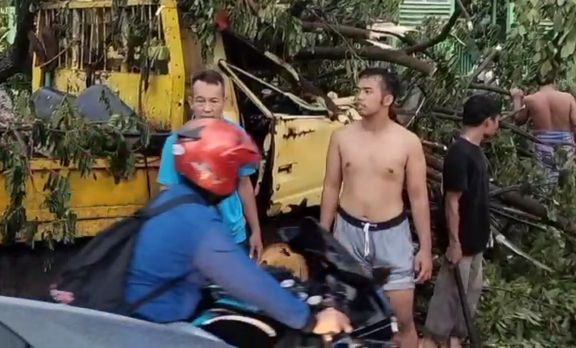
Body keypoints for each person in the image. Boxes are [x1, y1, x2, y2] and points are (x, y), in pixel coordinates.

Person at [127, 118, 353, 337]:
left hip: (157, 312)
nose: (237, 177)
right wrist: (311, 321)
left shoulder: (176, 199)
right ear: (215, 171)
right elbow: (243, 278)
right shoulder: (195, 220)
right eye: (233, 169)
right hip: (156, 330)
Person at [319, 66, 432, 348]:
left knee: (402, 320)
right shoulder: (341, 137)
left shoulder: (408, 143)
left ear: (387, 99)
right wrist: (322, 236)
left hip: (391, 236)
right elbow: (331, 186)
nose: (359, 97)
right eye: (358, 90)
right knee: (346, 317)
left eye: (367, 91)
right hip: (349, 231)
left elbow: (418, 198)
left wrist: (426, 250)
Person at [158, 68, 264, 260]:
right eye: (201, 100)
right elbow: (166, 191)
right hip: (193, 240)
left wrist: (256, 230)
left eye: (213, 101)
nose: (207, 108)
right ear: (191, 103)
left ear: (224, 102)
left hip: (233, 236)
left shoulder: (236, 136)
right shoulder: (175, 142)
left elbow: (244, 185)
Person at [421, 95, 499, 348]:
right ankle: (432, 342)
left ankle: (455, 341)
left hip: (475, 242)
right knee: (449, 299)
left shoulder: (475, 152)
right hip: (462, 243)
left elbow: (476, 200)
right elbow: (451, 202)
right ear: (488, 122)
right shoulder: (459, 154)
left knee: (468, 297)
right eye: (497, 120)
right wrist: (454, 243)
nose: (498, 125)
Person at [510, 75, 576, 187]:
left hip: (542, 140)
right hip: (565, 141)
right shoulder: (568, 98)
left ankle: (545, 200)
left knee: (544, 179)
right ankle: (561, 199)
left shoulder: (530, 99)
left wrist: (517, 99)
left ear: (537, 83)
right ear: (555, 81)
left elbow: (518, 120)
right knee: (564, 177)